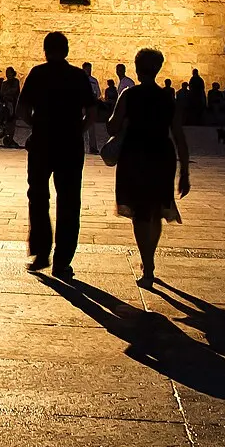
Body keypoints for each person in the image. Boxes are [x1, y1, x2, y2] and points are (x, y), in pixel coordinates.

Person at [109, 47, 190, 287]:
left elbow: (112, 127)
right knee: (155, 209)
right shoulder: (167, 98)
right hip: (161, 155)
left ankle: (147, 263)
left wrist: (122, 121)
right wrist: (184, 172)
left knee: (139, 212)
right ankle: (149, 260)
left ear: (136, 67)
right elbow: (178, 135)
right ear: (158, 69)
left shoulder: (129, 95)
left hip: (134, 154)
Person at [18, 31, 89, 279]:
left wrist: (37, 125)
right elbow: (91, 113)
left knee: (37, 197)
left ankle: (41, 252)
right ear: (67, 51)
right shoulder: (78, 76)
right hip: (70, 146)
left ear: (45, 51)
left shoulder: (38, 74)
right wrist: (77, 130)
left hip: (42, 143)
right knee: (69, 201)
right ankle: (62, 261)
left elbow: (23, 109)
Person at [81, 61, 108, 155]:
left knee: (91, 127)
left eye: (89, 68)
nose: (89, 70)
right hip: (81, 105)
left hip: (90, 105)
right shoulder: (80, 80)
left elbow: (98, 93)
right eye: (87, 69)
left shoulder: (94, 80)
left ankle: (93, 147)